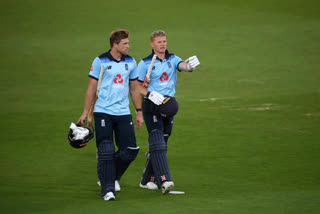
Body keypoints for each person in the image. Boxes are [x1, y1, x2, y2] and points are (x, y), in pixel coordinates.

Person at [77, 29, 164, 201]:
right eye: (125, 43)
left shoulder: (130, 62)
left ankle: (108, 174)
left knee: (131, 150)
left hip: (123, 112)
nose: (128, 46)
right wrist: (86, 112)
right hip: (103, 111)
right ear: (115, 45)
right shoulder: (100, 61)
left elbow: (134, 89)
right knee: (107, 149)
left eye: (128, 43)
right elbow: (91, 89)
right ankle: (108, 189)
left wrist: (139, 112)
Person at [136, 30, 200, 193]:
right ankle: (165, 180)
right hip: (152, 105)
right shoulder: (145, 63)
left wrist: (190, 67)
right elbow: (137, 87)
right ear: (152, 44)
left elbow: (182, 65)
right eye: (159, 42)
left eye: (164, 41)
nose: (162, 44)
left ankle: (147, 179)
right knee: (158, 142)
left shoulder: (173, 58)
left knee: (161, 143)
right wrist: (150, 94)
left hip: (168, 105)